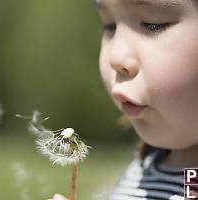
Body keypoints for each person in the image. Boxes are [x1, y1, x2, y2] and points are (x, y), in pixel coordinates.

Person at [49, 0, 198, 199]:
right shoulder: (146, 166)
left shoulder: (192, 185)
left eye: (153, 24)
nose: (116, 57)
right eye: (110, 26)